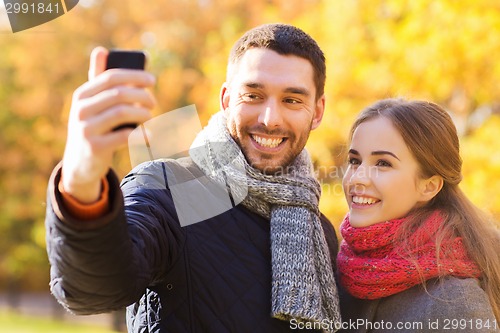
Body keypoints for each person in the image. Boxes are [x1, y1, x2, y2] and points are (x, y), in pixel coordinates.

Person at [45, 23, 342, 332]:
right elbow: (94, 289)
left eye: (292, 100)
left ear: (317, 111)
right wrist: (81, 182)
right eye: (253, 95)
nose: (270, 119)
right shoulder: (170, 188)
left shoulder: (318, 228)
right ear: (226, 100)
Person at [337, 98, 500, 332]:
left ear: (429, 186)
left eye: (382, 163)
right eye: (354, 161)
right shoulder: (341, 272)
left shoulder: (455, 301)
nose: (357, 178)